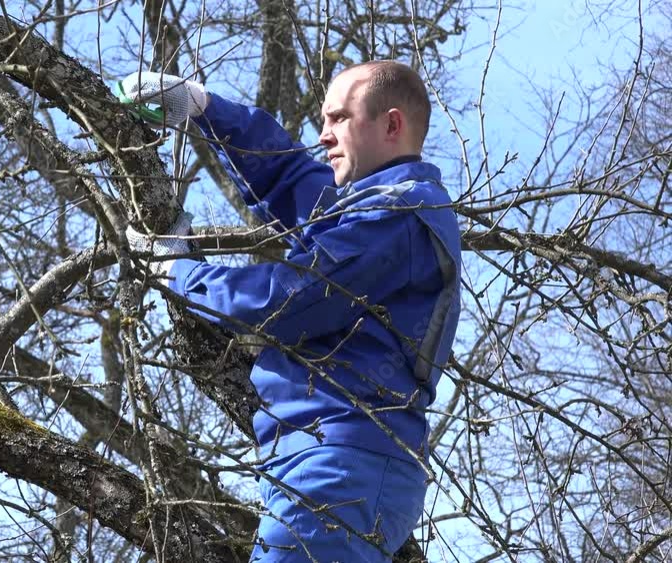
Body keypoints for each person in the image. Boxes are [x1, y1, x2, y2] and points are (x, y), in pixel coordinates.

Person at [121, 60, 461, 562]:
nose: (324, 135)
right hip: (338, 465)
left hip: (340, 469)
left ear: (392, 125)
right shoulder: (367, 206)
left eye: (340, 119)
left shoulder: (399, 215)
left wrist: (179, 274)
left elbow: (296, 298)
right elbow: (290, 174)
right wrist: (204, 108)